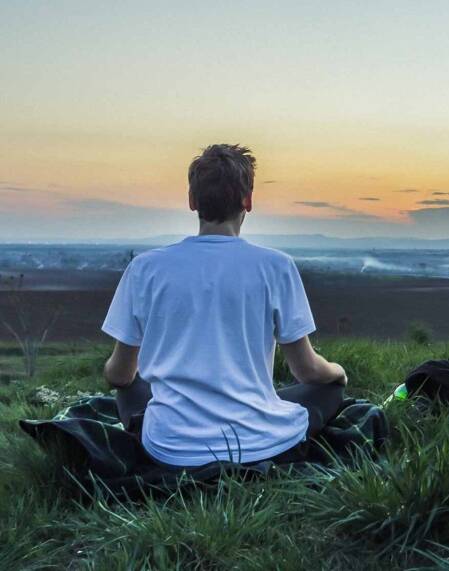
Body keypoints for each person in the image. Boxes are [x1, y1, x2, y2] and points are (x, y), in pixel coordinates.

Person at [101, 144, 349, 467]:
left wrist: (125, 376)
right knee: (328, 391)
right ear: (248, 200)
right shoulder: (276, 266)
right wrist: (338, 373)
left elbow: (119, 375)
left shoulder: (145, 268)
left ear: (192, 201)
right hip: (259, 443)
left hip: (170, 447)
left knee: (131, 387)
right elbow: (306, 371)